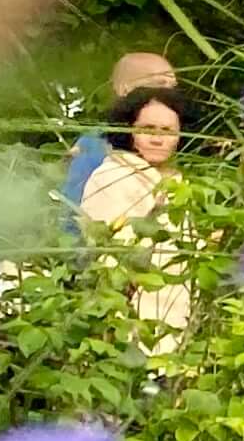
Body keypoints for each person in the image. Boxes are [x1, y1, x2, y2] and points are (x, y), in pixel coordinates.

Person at [78, 85, 193, 342]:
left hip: (177, 311)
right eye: (147, 129)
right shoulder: (112, 176)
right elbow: (110, 256)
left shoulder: (179, 182)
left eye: (167, 131)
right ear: (128, 130)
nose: (157, 139)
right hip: (128, 315)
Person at [62, 52, 176, 211]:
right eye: (160, 83)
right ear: (125, 89)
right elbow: (75, 212)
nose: (170, 93)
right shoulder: (99, 143)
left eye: (173, 86)